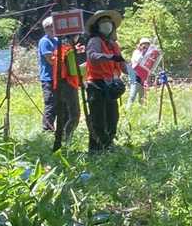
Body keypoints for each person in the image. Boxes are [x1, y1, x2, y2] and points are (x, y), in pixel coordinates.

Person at [83, 9, 126, 151]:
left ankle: (109, 144)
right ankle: (97, 149)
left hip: (111, 85)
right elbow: (93, 56)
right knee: (98, 118)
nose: (107, 25)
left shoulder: (113, 44)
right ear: (97, 26)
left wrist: (135, 74)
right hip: (96, 84)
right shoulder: (95, 41)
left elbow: (122, 63)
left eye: (109, 22)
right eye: (103, 22)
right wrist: (110, 57)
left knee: (112, 117)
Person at [38, 16, 81, 149]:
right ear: (47, 28)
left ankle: (62, 131)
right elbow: (51, 60)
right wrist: (64, 55)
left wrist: (73, 51)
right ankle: (47, 130)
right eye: (51, 28)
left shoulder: (57, 40)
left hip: (62, 78)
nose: (54, 30)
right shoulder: (44, 41)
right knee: (51, 104)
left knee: (63, 104)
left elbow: (65, 54)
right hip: (49, 78)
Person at [127, 36, 153, 104]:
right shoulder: (136, 52)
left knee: (142, 98)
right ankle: (128, 109)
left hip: (143, 77)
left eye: (147, 45)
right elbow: (137, 61)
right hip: (134, 75)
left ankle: (141, 109)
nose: (146, 46)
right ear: (140, 45)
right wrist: (143, 53)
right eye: (144, 44)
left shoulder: (148, 55)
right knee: (132, 95)